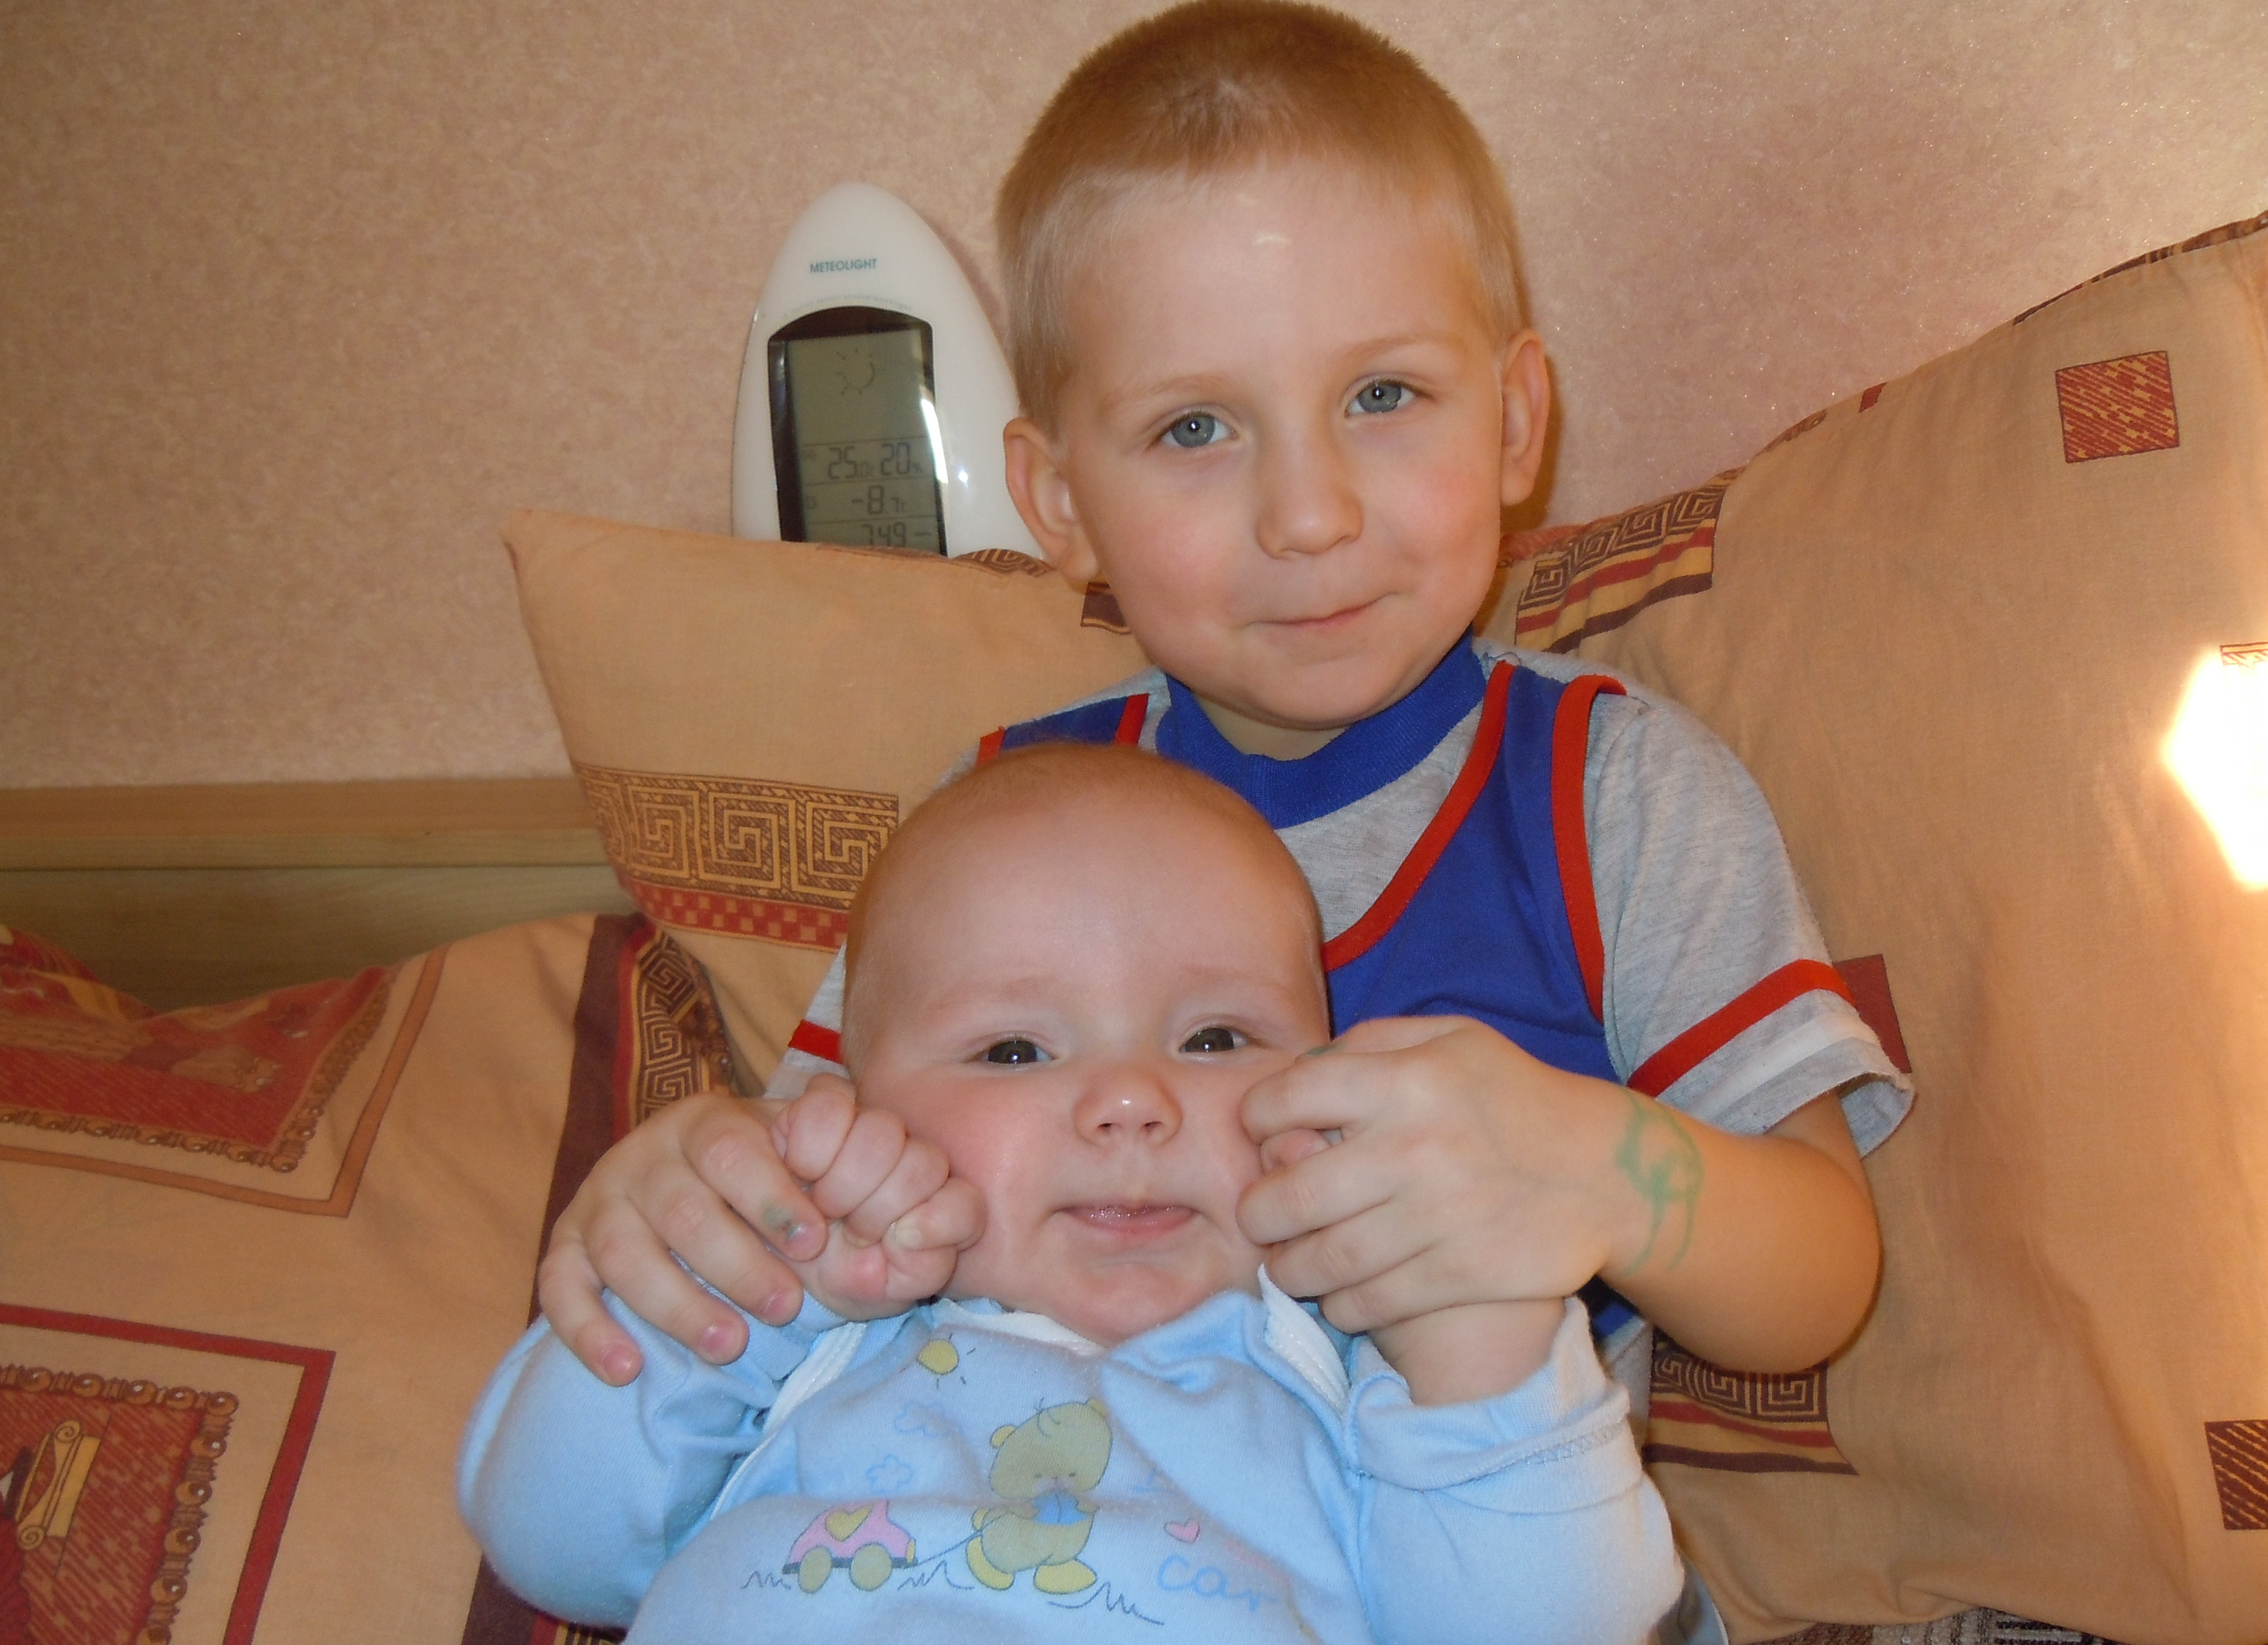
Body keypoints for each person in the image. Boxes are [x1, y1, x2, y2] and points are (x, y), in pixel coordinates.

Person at [537, 0, 1907, 1438]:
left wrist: (1599, 1167)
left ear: (1515, 423)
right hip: (1014, 1526)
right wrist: (695, 1181)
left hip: (1457, 1550)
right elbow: (809, 1184)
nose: (1308, 516)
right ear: (1060, 500)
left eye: (1384, 394)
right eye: (1195, 428)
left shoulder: (1613, 794)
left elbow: (1819, 1281)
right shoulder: (999, 815)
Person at [460, 743, 1685, 1645]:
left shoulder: (1363, 1363)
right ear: (849, 1103)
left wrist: (1476, 1336)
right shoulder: (809, 1337)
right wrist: (757, 1282)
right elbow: (555, 1540)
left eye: (1217, 1038)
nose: (1130, 1102)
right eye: (1014, 1050)